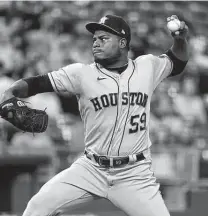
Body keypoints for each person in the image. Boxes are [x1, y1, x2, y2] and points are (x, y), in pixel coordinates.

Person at [0, 14, 189, 216]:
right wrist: (9, 93)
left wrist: (180, 39)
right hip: (91, 168)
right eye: (94, 39)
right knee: (37, 207)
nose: (96, 43)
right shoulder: (82, 74)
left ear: (123, 42)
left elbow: (177, 61)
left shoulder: (147, 66)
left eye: (103, 38)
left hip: (134, 174)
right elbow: (37, 83)